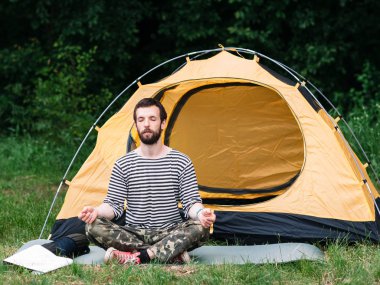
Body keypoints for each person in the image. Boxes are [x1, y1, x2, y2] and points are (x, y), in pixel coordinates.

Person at [78, 98, 216, 265]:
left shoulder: (182, 161)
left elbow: (190, 203)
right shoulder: (123, 164)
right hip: (133, 233)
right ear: (136, 125)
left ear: (163, 123)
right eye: (141, 119)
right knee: (92, 226)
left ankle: (137, 256)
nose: (146, 124)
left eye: (152, 118)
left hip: (170, 231)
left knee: (201, 226)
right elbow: (113, 205)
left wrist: (202, 214)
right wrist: (96, 212)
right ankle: (169, 253)